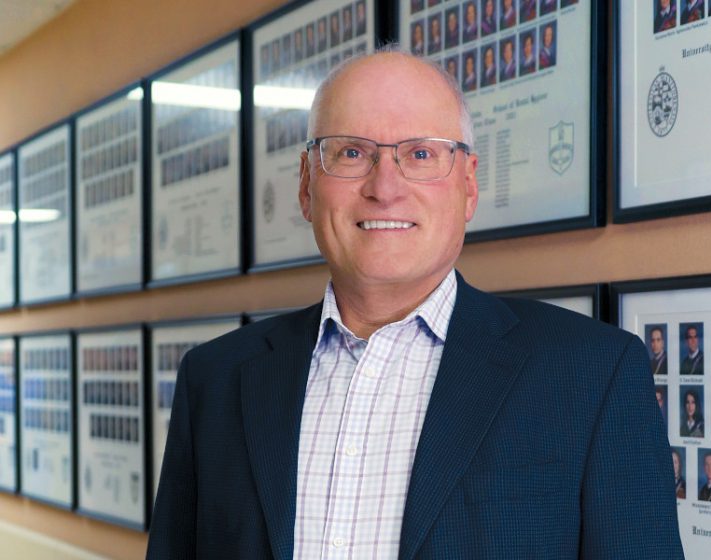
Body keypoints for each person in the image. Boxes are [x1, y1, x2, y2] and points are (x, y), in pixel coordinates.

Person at [147, 48, 683, 559]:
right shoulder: (214, 380)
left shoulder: (592, 375)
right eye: (351, 152)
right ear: (307, 185)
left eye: (421, 154)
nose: (385, 186)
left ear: (469, 186)